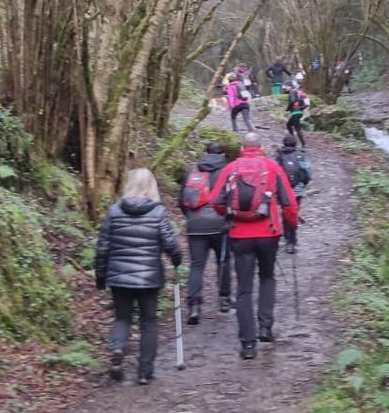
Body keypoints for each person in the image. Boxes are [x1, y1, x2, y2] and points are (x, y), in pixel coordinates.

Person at [213, 132, 299, 360]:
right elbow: (289, 203)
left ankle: (248, 344)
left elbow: (216, 201)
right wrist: (291, 227)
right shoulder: (272, 167)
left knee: (243, 288)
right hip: (269, 233)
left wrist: (230, 215)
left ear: (242, 148)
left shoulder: (230, 168)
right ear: (260, 147)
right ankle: (265, 328)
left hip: (239, 235)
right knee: (267, 277)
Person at [94, 168, 182, 384]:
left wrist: (101, 276)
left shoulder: (114, 211)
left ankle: (117, 349)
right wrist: (176, 259)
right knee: (149, 322)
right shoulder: (158, 213)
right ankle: (144, 372)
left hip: (119, 277)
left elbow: (103, 247)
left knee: (122, 317)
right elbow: (170, 243)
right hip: (149, 277)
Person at [178, 142, 233, 322]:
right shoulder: (228, 171)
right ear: (222, 154)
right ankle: (224, 299)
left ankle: (194, 306)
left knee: (196, 265)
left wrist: (191, 218)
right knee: (223, 261)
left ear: (205, 153)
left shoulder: (192, 170)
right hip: (221, 224)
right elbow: (233, 198)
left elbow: (181, 201)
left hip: (196, 226)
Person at [274, 135, 312, 254]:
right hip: (297, 191)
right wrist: (302, 186)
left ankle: (287, 240)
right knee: (294, 214)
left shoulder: (279, 155)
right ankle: (293, 240)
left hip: (283, 191)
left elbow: (274, 173)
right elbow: (308, 173)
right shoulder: (300, 156)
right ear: (295, 144)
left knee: (285, 213)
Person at [285, 83, 311, 149]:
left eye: (287, 86)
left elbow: (292, 101)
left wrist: (288, 108)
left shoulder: (292, 91)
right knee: (289, 125)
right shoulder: (297, 92)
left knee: (297, 128)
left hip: (295, 112)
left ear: (290, 86)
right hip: (298, 112)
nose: (285, 88)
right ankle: (294, 141)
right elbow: (304, 104)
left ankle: (303, 145)